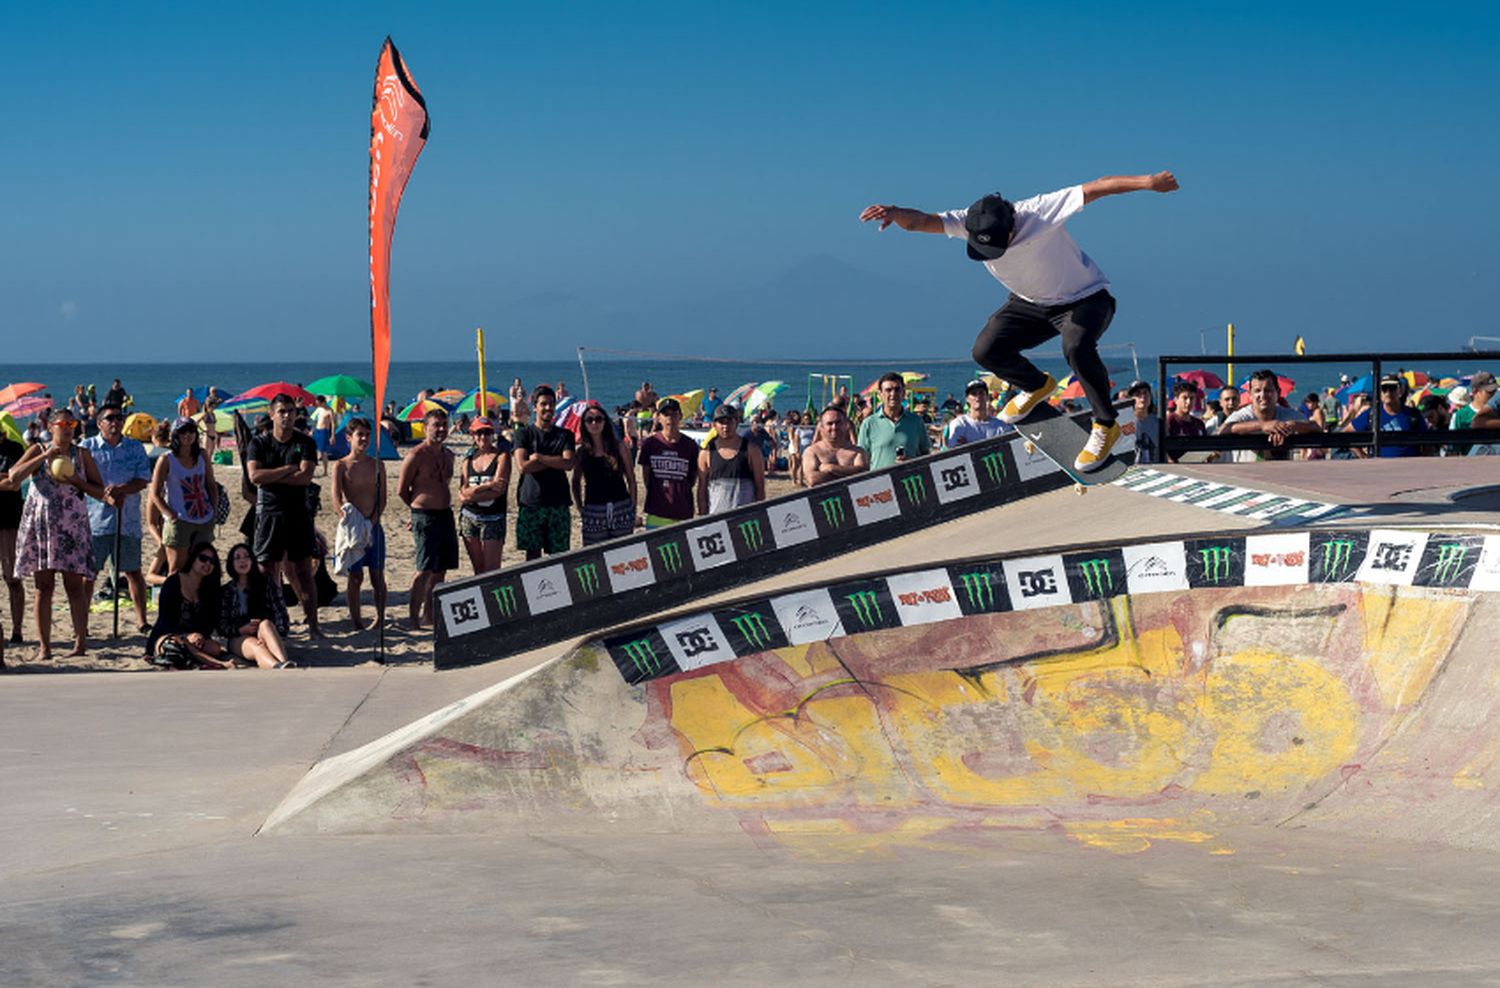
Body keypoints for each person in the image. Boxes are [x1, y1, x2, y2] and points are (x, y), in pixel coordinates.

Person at [860, 170, 1179, 472]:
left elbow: (1098, 186)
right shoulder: (967, 221)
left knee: (1076, 345)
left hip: (1086, 299)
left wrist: (1149, 182)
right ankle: (1037, 385)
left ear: (1011, 228)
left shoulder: (1039, 212)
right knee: (985, 350)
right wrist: (894, 211)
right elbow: (921, 222)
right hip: (1032, 305)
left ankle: (1105, 425)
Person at [4, 407, 104, 659]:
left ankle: (80, 645)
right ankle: (45, 648)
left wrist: (77, 482)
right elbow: (15, 476)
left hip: (71, 526)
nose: (68, 428)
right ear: (51, 427)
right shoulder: (38, 449)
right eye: (63, 424)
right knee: (43, 587)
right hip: (42, 526)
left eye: (72, 424)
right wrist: (45, 455)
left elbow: (98, 489)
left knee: (74, 586)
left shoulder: (81, 454)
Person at [246, 394, 323, 637]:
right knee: (266, 570)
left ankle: (313, 625)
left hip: (298, 514)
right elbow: (254, 477)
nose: (287, 415)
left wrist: (273, 476)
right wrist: (288, 469)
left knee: (303, 571)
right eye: (281, 411)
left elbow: (305, 478)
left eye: (290, 411)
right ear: (272, 415)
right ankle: (270, 622)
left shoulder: (305, 443)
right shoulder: (259, 443)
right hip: (269, 513)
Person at [82, 402, 153, 633]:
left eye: (119, 418)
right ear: (100, 423)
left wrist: (123, 488)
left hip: (127, 519)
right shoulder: (87, 447)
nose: (115, 422)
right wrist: (104, 493)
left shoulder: (135, 448)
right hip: (95, 520)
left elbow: (143, 479)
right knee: (89, 574)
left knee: (133, 571)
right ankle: (81, 621)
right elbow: (79, 480)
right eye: (110, 418)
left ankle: (141, 620)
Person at [397, 408, 457, 628]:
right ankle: (413, 618)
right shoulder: (416, 455)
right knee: (424, 570)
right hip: (425, 516)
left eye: (443, 424)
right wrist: (416, 511)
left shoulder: (448, 454)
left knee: (440, 571)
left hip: (445, 515)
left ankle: (429, 615)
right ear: (425, 427)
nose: (441, 429)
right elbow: (402, 490)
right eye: (436, 425)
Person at [331, 417, 388, 631]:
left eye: (367, 434)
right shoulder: (341, 465)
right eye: (359, 435)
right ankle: (356, 621)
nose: (364, 439)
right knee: (355, 577)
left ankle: (380, 618)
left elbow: (382, 498)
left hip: (374, 526)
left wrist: (374, 519)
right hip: (353, 528)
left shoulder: (377, 465)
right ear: (349, 438)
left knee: (376, 575)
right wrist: (343, 516)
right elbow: (336, 497)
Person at [149, 418, 218, 576]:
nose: (187, 435)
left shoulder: (202, 456)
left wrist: (213, 511)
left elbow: (211, 485)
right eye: (182, 431)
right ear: (175, 435)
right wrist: (170, 514)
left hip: (203, 518)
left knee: (201, 567)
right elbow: (154, 493)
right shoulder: (166, 459)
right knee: (177, 570)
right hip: (179, 521)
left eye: (191, 431)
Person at [147, 541, 232, 670]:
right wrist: (186, 636)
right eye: (203, 559)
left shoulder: (210, 589)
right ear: (193, 559)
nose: (207, 564)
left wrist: (200, 635)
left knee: (214, 647)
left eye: (212, 561)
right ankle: (215, 663)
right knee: (176, 644)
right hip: (168, 635)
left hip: (195, 639)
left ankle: (193, 661)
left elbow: (210, 623)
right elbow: (165, 620)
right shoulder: (174, 582)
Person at [512, 386, 575, 559]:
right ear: (534, 406)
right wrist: (556, 461)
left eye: (551, 404)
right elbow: (523, 466)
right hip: (531, 502)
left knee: (559, 557)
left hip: (558, 503)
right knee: (532, 557)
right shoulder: (523, 434)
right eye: (543, 404)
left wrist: (539, 458)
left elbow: (569, 463)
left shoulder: (565, 435)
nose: (548, 408)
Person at [218, 542, 293, 668]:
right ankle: (277, 666)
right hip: (238, 637)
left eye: (246, 556)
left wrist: (274, 633)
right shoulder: (226, 591)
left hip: (265, 633)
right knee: (257, 647)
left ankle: (284, 662)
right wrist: (240, 629)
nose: (243, 561)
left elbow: (281, 615)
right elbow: (221, 626)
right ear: (231, 563)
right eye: (237, 558)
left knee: (266, 624)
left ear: (252, 560)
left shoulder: (265, 584)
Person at [572, 400, 637, 546]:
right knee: (594, 556)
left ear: (604, 422)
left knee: (624, 554)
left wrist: (632, 505)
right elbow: (575, 481)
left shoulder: (619, 447)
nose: (594, 423)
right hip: (593, 509)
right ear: (584, 424)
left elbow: (631, 479)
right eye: (589, 420)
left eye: (598, 419)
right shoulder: (582, 452)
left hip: (621, 507)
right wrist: (581, 507)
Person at [1220, 369, 1321, 461]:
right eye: (1257, 391)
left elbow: (1316, 427)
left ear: (1278, 393)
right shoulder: (1243, 415)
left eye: (1268, 390)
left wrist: (1292, 426)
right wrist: (1263, 426)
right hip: (1246, 477)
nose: (1262, 395)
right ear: (1250, 394)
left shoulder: (1287, 414)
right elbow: (1223, 429)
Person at [458, 416, 511, 573]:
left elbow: (498, 491)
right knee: (478, 568)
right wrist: (486, 486)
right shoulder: (468, 460)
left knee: (492, 570)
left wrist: (471, 494)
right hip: (469, 517)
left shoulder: (502, 457)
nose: (483, 437)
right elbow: (462, 493)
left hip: (493, 518)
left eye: (487, 433)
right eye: (479, 433)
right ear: (473, 435)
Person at [638, 397, 698, 528]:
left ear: (680, 416)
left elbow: (692, 478)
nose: (670, 418)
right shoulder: (650, 443)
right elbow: (646, 477)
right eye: (666, 414)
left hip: (683, 511)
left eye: (674, 414)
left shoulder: (690, 445)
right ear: (658, 418)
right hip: (657, 512)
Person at [697, 404, 766, 515]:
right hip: (716, 519)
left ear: (737, 423)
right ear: (714, 425)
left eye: (729, 421)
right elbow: (702, 490)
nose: (725, 426)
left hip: (745, 519)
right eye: (721, 422)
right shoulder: (706, 453)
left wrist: (760, 515)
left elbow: (760, 487)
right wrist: (703, 518)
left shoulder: (751, 450)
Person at [856, 372, 931, 469]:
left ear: (903, 393)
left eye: (897, 389)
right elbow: (862, 460)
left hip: (909, 480)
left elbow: (926, 455)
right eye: (888, 390)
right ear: (880, 394)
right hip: (880, 482)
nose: (893, 394)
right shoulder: (869, 423)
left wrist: (911, 462)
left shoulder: (916, 421)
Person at [1343, 374, 1430, 458]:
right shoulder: (1372, 414)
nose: (1388, 392)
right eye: (1384, 389)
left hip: (1409, 469)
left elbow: (1428, 442)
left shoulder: (1413, 415)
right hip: (1381, 470)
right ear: (1380, 393)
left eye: (1392, 388)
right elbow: (1346, 433)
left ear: (1400, 391)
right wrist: (1362, 456)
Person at [0, 425, 26, 646]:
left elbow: (14, 482)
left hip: (9, 521)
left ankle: (17, 630)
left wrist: (8, 479)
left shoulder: (14, 449)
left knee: (13, 578)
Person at [802, 405, 869, 487]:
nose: (834, 427)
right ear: (822, 427)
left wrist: (831, 468)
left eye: (838, 423)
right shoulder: (812, 452)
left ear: (845, 425)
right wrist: (851, 472)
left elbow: (863, 477)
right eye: (830, 424)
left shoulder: (857, 452)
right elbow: (813, 479)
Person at [944, 379, 1010, 448]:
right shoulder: (960, 424)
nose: (977, 397)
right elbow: (956, 453)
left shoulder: (1001, 426)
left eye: (981, 393)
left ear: (987, 397)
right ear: (967, 399)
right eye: (973, 394)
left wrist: (969, 446)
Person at [1164, 381, 1206, 464]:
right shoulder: (1169, 421)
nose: (1188, 402)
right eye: (1185, 398)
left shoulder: (1199, 423)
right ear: (1176, 400)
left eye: (1192, 398)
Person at [310, 396, 336, 476]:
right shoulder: (319, 409)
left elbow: (333, 424)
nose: (318, 405)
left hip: (324, 431)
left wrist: (332, 435)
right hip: (317, 430)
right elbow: (315, 420)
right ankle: (312, 469)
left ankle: (325, 471)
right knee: (313, 449)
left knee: (323, 452)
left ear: (323, 402)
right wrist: (312, 430)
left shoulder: (330, 411)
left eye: (319, 403)